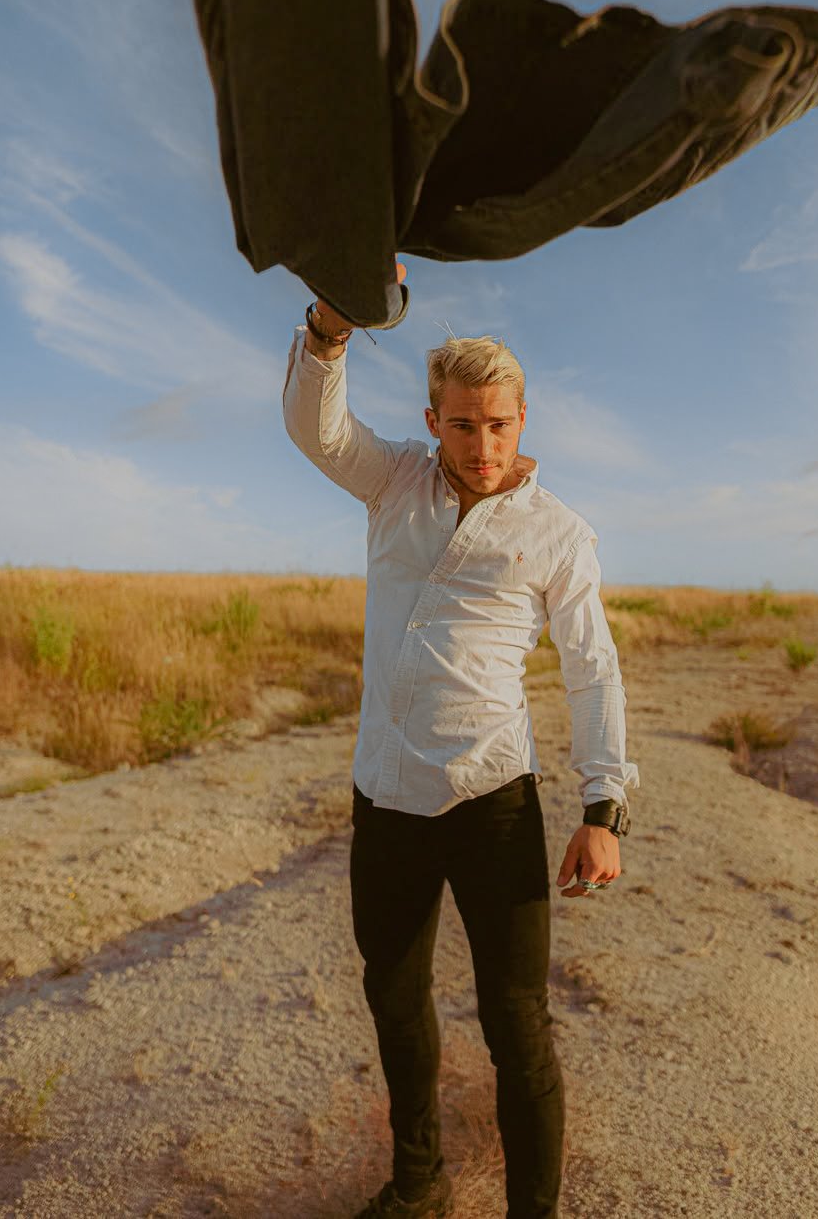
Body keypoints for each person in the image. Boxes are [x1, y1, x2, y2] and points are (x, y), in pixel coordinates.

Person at [282, 266, 639, 1219]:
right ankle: (419, 1187)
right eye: (464, 425)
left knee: (518, 1026)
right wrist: (329, 327)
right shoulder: (394, 479)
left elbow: (592, 668)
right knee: (395, 1003)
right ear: (434, 420)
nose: (483, 447)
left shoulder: (560, 534)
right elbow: (317, 430)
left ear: (523, 422)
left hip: (492, 802)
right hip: (385, 797)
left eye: (499, 426)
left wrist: (604, 806)